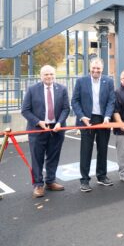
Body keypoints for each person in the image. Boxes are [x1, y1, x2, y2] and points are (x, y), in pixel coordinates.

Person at [21, 65, 70, 198]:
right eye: (46, 74)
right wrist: (38, 122)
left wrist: (59, 122)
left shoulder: (62, 89)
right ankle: (38, 185)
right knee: (37, 158)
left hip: (56, 129)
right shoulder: (32, 90)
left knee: (53, 156)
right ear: (41, 76)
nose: (49, 77)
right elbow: (25, 110)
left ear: (54, 75)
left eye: (51, 74)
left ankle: (50, 181)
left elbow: (66, 108)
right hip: (37, 129)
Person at [72, 58, 115, 192]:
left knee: (103, 149)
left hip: (103, 120)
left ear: (102, 69)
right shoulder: (81, 81)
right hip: (87, 120)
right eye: (94, 68)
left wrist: (108, 116)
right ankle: (84, 180)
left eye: (98, 68)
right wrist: (81, 117)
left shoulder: (108, 81)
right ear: (90, 68)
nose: (96, 70)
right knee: (86, 151)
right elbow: (75, 101)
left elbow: (111, 101)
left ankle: (102, 176)